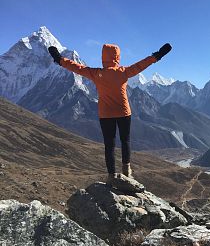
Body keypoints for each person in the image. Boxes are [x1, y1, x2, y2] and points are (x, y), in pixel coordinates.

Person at [48, 43, 172, 184]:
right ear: (117, 57)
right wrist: (157, 55)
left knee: (109, 145)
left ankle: (111, 176)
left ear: (103, 57)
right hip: (124, 112)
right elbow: (141, 65)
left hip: (105, 114)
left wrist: (59, 59)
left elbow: (76, 67)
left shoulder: (96, 73)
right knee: (125, 141)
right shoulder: (124, 72)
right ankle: (127, 172)